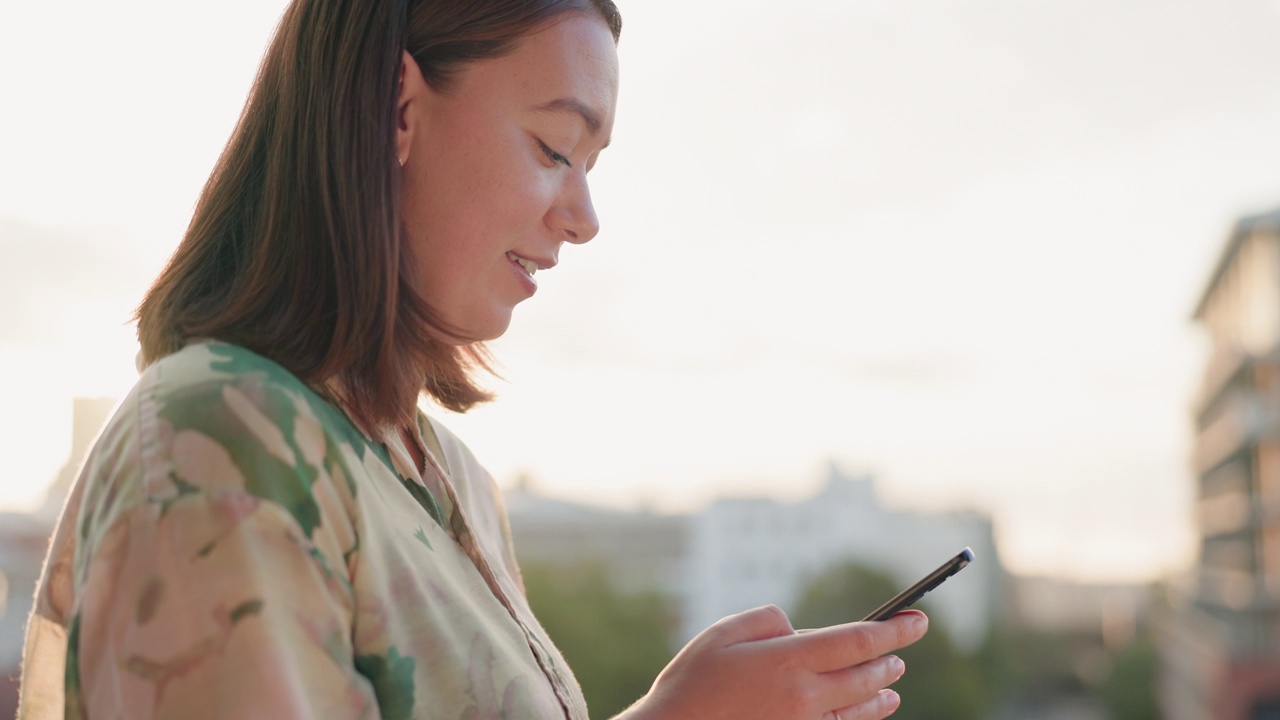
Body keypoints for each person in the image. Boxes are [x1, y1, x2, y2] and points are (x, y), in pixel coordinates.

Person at [18, 0, 928, 718]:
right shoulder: (219, 434)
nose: (584, 216)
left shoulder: (449, 481)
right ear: (396, 110)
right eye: (554, 148)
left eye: (591, 166)